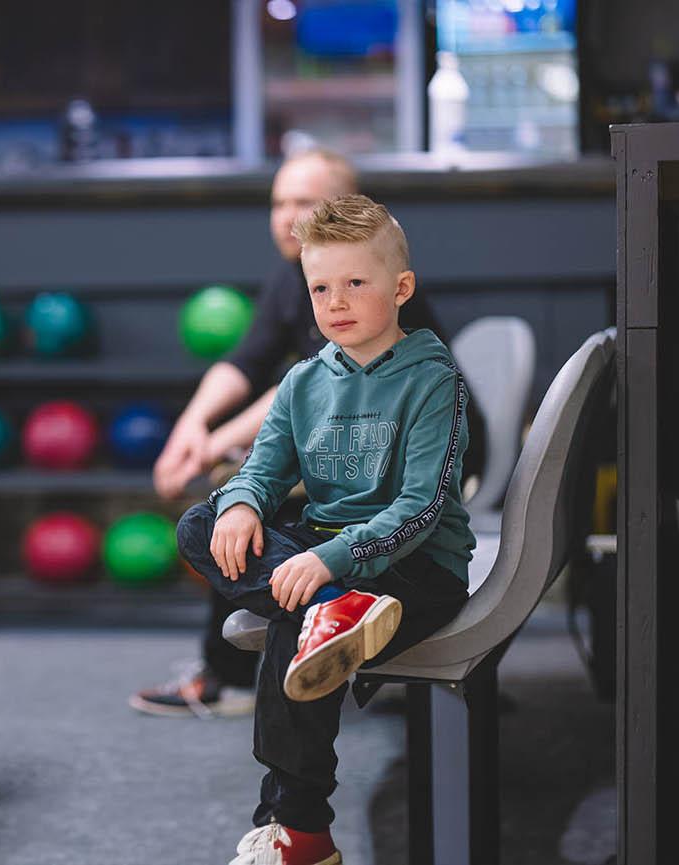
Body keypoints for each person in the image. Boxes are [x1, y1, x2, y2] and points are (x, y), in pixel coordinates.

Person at [175, 194, 474, 865]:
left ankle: (298, 831)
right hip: (334, 567)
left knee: (294, 612)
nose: (336, 302)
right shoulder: (302, 382)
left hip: (416, 569)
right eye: (320, 288)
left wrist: (331, 560)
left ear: (401, 289)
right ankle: (331, 610)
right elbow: (261, 471)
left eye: (356, 283)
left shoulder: (433, 380)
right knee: (202, 523)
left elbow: (423, 508)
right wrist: (243, 504)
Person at [132, 149, 478, 718]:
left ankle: (231, 675)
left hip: (423, 465)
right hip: (352, 463)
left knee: (261, 512)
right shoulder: (296, 278)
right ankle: (330, 611)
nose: (287, 216)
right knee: (224, 514)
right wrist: (190, 428)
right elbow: (248, 362)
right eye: (279, 203)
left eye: (305, 202)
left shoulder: (370, 289)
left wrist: (214, 448)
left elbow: (306, 391)